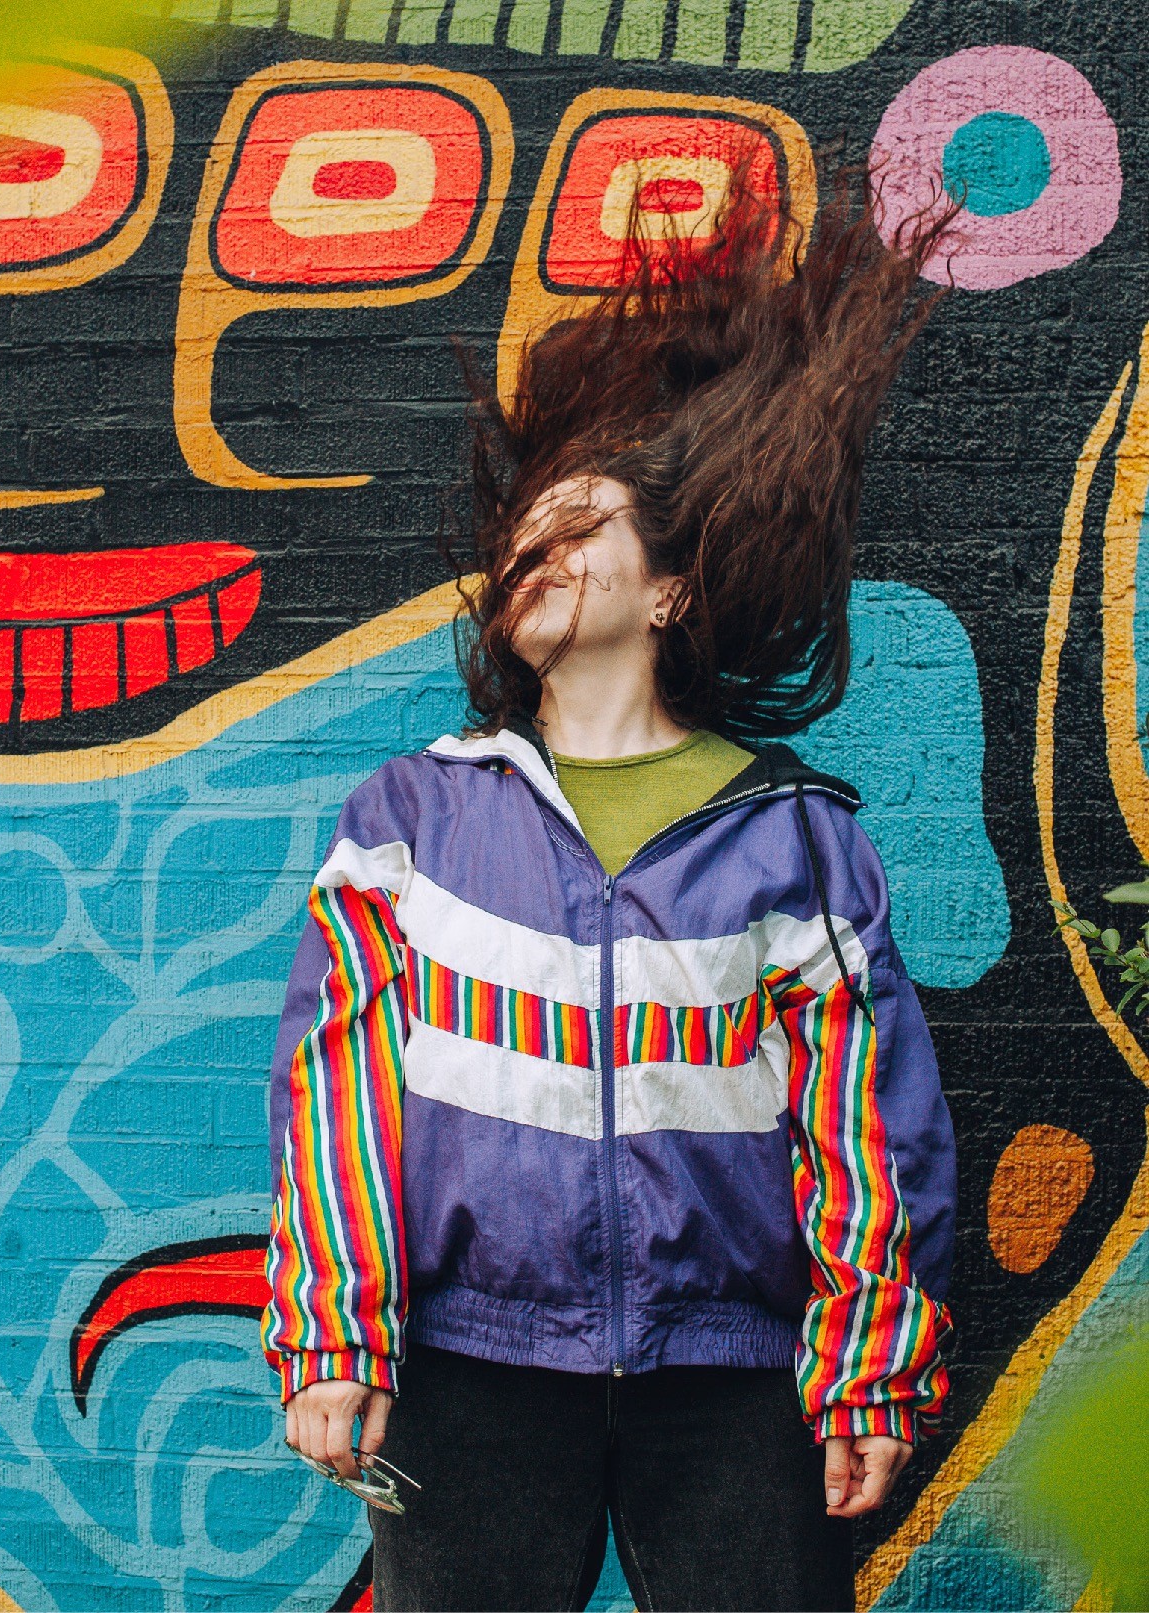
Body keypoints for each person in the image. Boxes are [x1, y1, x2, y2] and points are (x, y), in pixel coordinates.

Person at [261, 169, 958, 1613]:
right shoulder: (408, 821)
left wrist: (867, 1371)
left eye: (582, 527)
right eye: (528, 525)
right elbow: (338, 1102)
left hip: (736, 1378)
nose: (536, 549)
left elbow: (861, 1124)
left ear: (671, 594)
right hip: (469, 1368)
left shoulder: (796, 839)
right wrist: (333, 1339)